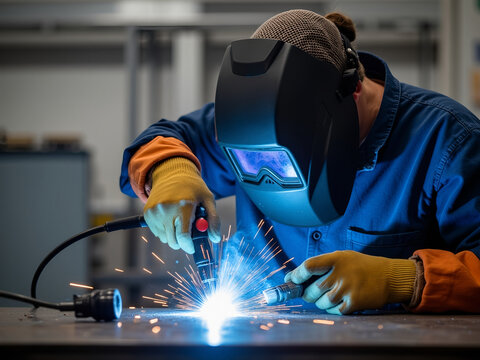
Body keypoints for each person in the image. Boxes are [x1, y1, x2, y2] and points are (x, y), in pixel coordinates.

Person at [120, 10, 480, 314]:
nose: (271, 172)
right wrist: (171, 171)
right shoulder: (246, 123)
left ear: (351, 90)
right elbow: (164, 138)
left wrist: (404, 279)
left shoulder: (447, 141)